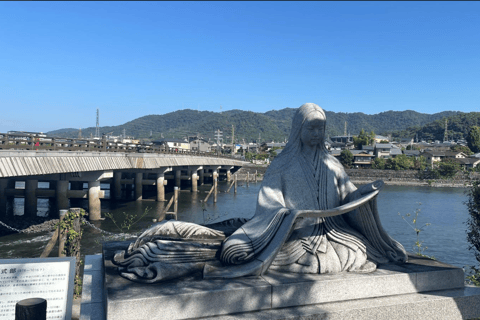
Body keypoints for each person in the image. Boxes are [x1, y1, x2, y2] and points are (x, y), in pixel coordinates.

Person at [114, 103, 407, 283]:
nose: (317, 135)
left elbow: (347, 195)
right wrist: (289, 216)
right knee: (239, 254)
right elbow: (270, 203)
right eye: (312, 129)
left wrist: (364, 194)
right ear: (299, 129)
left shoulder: (332, 163)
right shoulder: (282, 164)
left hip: (333, 234)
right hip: (290, 235)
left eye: (321, 130)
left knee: (356, 252)